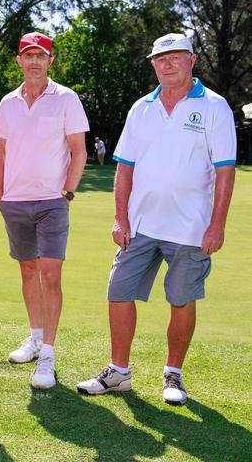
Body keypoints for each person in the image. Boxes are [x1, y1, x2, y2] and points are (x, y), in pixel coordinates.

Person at [77, 33, 236, 405]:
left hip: (191, 228)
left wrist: (217, 224)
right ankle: (119, 372)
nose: (167, 64)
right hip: (142, 224)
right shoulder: (141, 108)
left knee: (181, 299)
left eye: (175, 57)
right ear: (153, 64)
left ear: (192, 60)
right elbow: (125, 168)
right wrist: (120, 219)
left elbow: (225, 170)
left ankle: (173, 374)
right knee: (118, 291)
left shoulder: (215, 106)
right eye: (160, 59)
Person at [0, 32, 89, 389]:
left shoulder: (66, 98)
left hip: (52, 201)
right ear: (19, 60)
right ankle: (34, 338)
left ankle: (47, 354)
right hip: (15, 202)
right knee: (28, 270)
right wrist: (1, 195)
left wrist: (68, 192)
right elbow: (1, 152)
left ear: (50, 61)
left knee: (50, 274)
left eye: (41, 55)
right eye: (28, 55)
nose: (34, 61)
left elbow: (78, 150)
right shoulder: (8, 102)